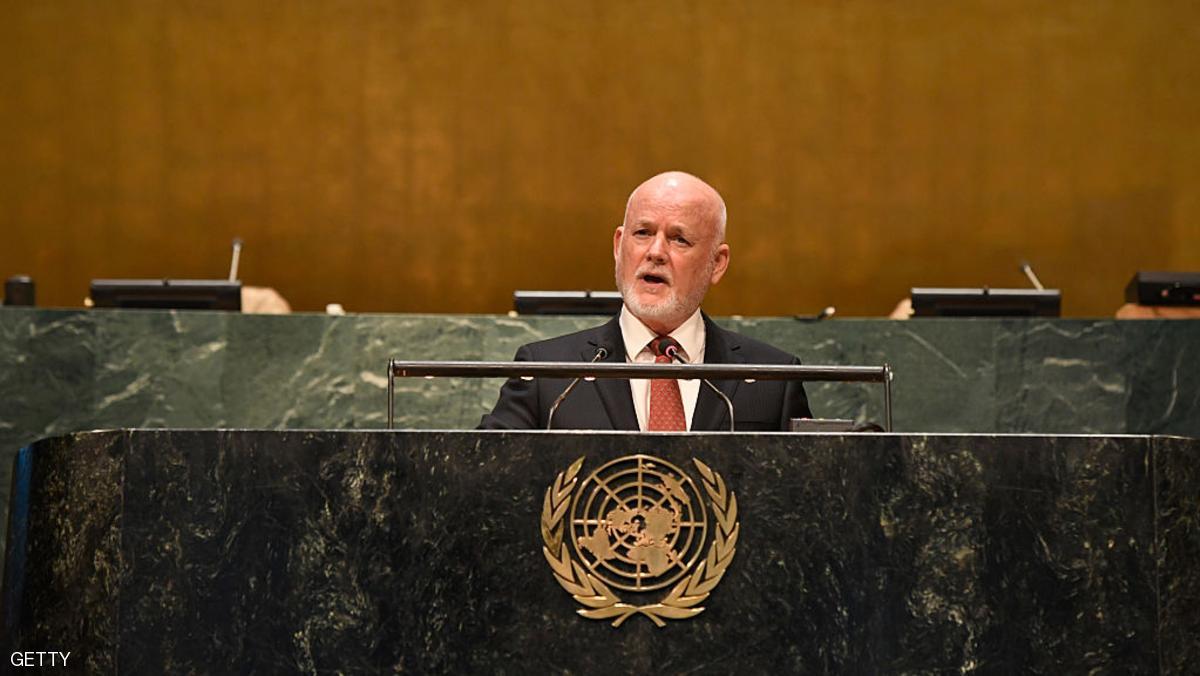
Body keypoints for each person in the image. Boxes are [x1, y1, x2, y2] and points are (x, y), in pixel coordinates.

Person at [479, 171, 812, 431]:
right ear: (618, 246)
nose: (655, 252)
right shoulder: (546, 375)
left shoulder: (772, 379)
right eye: (642, 234)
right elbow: (481, 475)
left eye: (679, 239)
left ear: (717, 263)